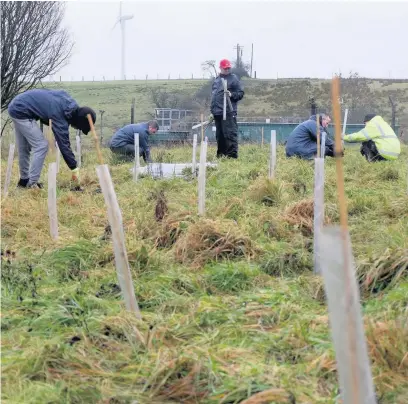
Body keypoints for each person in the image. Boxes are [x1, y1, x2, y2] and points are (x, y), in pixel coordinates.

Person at [7, 88, 96, 189]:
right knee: (41, 145)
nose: (76, 128)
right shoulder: (60, 115)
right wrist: (74, 168)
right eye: (79, 127)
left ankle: (24, 181)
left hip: (17, 105)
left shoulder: (68, 104)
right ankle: (31, 184)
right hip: (21, 111)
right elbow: (64, 145)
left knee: (24, 148)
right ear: (79, 121)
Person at [209, 59, 244, 159]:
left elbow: (240, 93)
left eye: (228, 68)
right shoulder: (216, 80)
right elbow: (214, 97)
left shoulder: (234, 79)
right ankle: (221, 157)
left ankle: (232, 157)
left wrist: (231, 94)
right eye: (225, 68)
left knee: (230, 135)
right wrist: (212, 111)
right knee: (220, 136)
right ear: (220, 68)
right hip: (217, 113)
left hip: (228, 112)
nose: (227, 70)